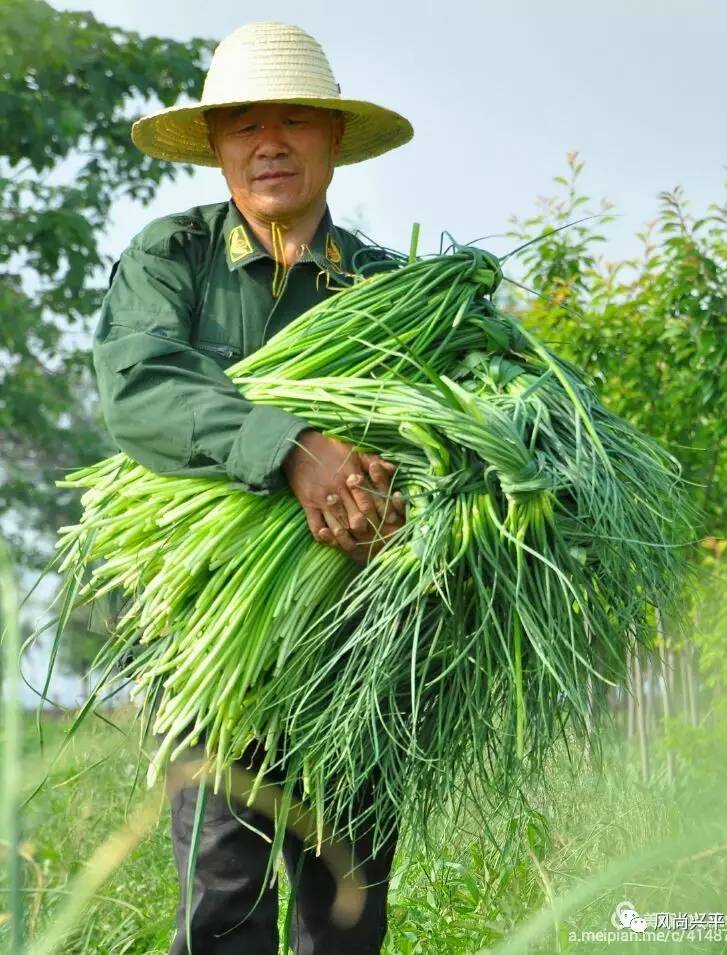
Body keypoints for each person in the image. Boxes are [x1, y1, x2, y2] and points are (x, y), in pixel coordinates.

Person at [91, 19, 414, 955]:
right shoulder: (172, 260)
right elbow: (141, 388)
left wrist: (398, 497)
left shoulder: (387, 289)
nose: (269, 143)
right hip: (210, 642)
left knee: (347, 908)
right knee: (224, 895)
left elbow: (443, 441)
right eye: (243, 126)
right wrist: (294, 448)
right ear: (219, 149)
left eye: (294, 122)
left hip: (355, 642)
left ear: (334, 138)